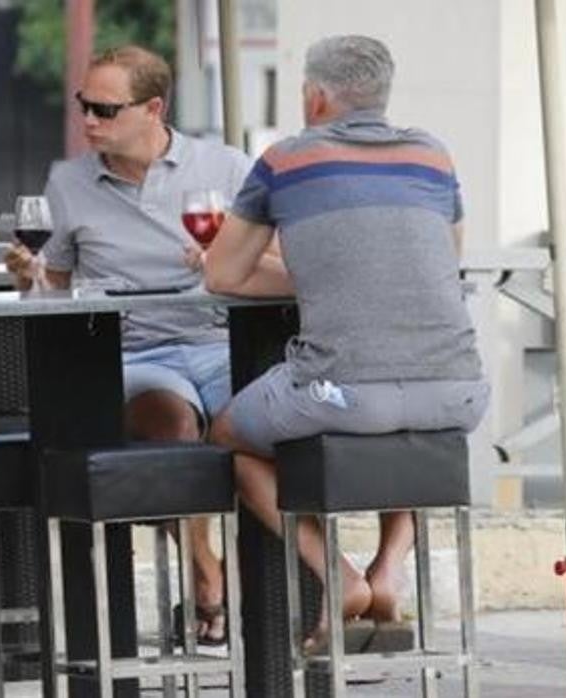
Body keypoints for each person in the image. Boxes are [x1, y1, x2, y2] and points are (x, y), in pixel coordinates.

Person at [202, 35, 490, 641]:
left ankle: (341, 575)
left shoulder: (286, 160)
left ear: (314, 97)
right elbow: (445, 261)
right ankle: (389, 569)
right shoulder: (432, 155)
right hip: (458, 392)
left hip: (344, 390)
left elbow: (222, 274)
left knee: (226, 435)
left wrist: (306, 278)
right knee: (405, 428)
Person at [4, 45, 269, 644]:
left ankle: (291, 595)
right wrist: (31, 277)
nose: (89, 120)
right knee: (171, 425)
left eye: (104, 108)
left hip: (223, 341)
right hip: (134, 353)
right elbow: (59, 283)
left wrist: (223, 260)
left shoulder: (226, 168)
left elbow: (277, 257)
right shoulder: (68, 181)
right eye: (84, 106)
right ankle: (208, 577)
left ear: (154, 108)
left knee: (262, 423)